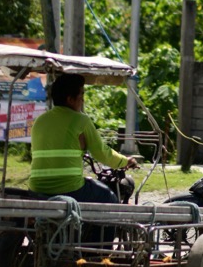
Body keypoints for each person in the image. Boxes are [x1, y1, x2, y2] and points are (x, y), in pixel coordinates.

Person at [29, 74, 138, 238]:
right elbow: (101, 152)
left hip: (37, 187)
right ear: (70, 98)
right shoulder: (81, 120)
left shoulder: (40, 121)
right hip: (69, 187)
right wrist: (125, 161)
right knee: (109, 198)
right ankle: (100, 253)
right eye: (81, 95)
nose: (83, 100)